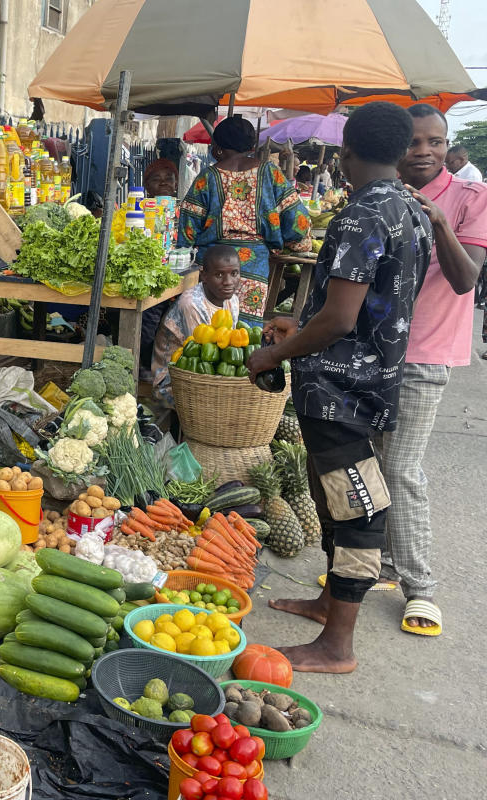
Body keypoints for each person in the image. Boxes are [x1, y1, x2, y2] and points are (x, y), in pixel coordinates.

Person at [247, 102, 432, 673]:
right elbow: (368, 308)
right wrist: (300, 328)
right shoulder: (411, 208)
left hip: (342, 391)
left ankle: (337, 646)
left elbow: (341, 320)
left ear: (346, 152)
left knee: (356, 507)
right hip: (368, 379)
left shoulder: (362, 215)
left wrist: (276, 351)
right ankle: (329, 601)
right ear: (402, 151)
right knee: (334, 494)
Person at [380, 104, 487, 636]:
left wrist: (437, 220)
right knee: (372, 463)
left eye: (436, 141)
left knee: (401, 468)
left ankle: (420, 587)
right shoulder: (380, 194)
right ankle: (378, 563)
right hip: (374, 350)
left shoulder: (470, 198)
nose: (424, 150)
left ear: (448, 146)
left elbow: (466, 279)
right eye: (414, 141)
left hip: (425, 353)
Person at [178, 117, 313, 327]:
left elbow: (187, 227)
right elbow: (298, 222)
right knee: (245, 335)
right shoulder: (270, 172)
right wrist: (291, 243)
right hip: (253, 267)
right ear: (251, 146)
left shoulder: (208, 176)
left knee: (206, 333)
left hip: (213, 268)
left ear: (218, 147)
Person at [149, 244, 242, 408]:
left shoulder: (232, 300)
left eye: (234, 274)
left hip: (203, 377)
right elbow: (203, 358)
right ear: (204, 276)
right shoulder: (191, 304)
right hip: (172, 381)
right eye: (219, 275)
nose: (228, 282)